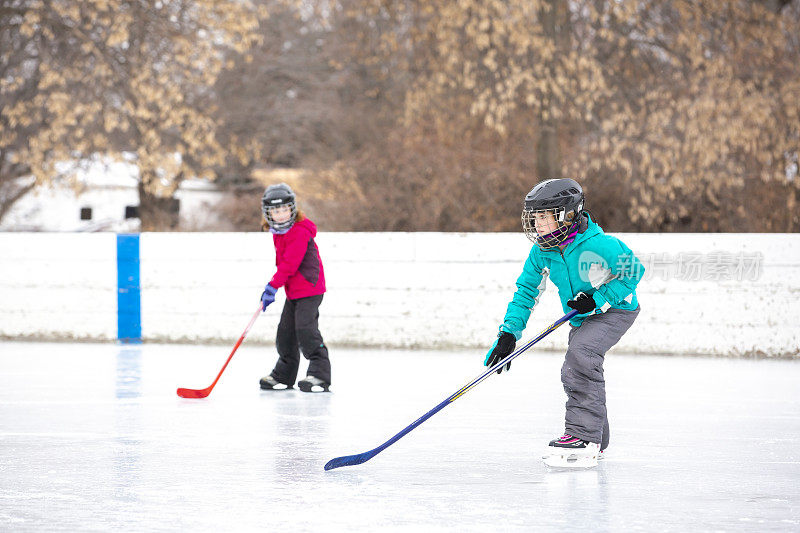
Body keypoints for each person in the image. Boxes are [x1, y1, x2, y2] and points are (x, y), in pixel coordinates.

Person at [484, 178, 644, 466]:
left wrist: (597, 299)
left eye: (544, 217)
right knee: (580, 363)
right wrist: (509, 333)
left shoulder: (599, 244)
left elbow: (634, 271)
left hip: (616, 309)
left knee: (580, 356)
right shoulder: (541, 252)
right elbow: (526, 292)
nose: (537, 225)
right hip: (582, 316)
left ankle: (583, 437)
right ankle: (597, 437)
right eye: (534, 219)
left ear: (568, 214)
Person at [258, 183, 331, 393]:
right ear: (268, 213)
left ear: (292, 209)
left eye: (284, 210)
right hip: (294, 291)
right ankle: (284, 374)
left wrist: (272, 286)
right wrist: (274, 287)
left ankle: (319, 374)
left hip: (310, 288)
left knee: (306, 330)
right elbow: (282, 264)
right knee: (285, 333)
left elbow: (290, 264)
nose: (280, 215)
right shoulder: (277, 232)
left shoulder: (299, 231)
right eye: (275, 211)